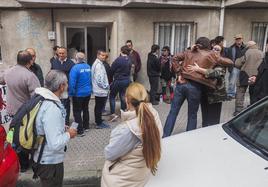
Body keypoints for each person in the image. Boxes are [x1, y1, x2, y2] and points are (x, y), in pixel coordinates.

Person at [163, 37, 232, 137]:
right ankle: (189, 138)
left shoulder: (189, 51)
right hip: (195, 87)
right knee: (192, 115)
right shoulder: (211, 55)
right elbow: (230, 62)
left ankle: (165, 136)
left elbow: (174, 58)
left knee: (173, 112)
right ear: (208, 46)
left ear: (197, 44)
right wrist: (216, 55)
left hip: (181, 84)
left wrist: (179, 73)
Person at [101, 83, 162, 187]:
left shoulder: (128, 129)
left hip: (122, 180)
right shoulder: (153, 115)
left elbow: (109, 154)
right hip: (139, 175)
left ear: (126, 100)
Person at [33, 70, 77, 187]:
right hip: (49, 162)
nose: (68, 86)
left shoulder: (42, 98)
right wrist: (69, 134)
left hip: (44, 158)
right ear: (61, 86)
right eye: (66, 83)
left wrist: (61, 127)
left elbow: (43, 125)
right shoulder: (52, 108)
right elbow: (55, 144)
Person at [3, 50, 41, 172]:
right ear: (30, 61)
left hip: (11, 113)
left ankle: (18, 162)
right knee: (25, 137)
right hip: (25, 114)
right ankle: (26, 163)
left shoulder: (8, 72)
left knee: (13, 137)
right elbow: (37, 97)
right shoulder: (29, 76)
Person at [188, 45, 228, 126]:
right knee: (205, 119)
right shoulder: (207, 59)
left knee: (213, 120)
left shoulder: (221, 62)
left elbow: (216, 73)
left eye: (217, 49)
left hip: (216, 95)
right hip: (205, 93)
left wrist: (199, 69)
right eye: (213, 48)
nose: (214, 50)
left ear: (221, 53)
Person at [233, 41, 263, 116]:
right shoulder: (261, 53)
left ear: (248, 46)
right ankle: (253, 109)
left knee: (240, 92)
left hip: (244, 74)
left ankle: (238, 111)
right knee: (254, 93)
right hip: (257, 75)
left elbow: (237, 63)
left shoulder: (246, 52)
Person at [69, 52, 92, 137]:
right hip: (88, 92)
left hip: (78, 94)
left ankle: (80, 130)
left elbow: (72, 82)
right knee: (85, 109)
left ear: (76, 58)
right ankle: (86, 126)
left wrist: (71, 93)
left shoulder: (75, 68)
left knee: (77, 111)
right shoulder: (88, 66)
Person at [51, 47, 75, 126]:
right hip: (56, 88)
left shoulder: (71, 63)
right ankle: (58, 121)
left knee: (66, 106)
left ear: (66, 53)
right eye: (59, 53)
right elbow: (52, 73)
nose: (61, 55)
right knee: (57, 105)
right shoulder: (54, 62)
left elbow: (73, 77)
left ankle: (66, 123)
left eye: (62, 53)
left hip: (65, 88)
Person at [109, 45, 131, 122]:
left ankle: (113, 114)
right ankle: (123, 113)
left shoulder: (118, 60)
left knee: (112, 96)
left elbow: (111, 69)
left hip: (118, 80)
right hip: (126, 80)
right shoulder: (129, 59)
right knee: (123, 95)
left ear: (121, 51)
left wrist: (110, 79)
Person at [91, 50, 110, 129]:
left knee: (98, 106)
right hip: (100, 90)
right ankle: (98, 123)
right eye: (102, 55)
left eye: (104, 55)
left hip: (99, 89)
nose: (104, 57)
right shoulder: (98, 65)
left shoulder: (98, 64)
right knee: (99, 107)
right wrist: (106, 86)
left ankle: (98, 120)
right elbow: (99, 80)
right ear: (98, 55)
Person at [226, 34, 246, 100]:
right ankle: (230, 94)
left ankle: (238, 95)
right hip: (234, 67)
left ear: (242, 39)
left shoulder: (246, 48)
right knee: (232, 81)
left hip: (243, 67)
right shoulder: (231, 48)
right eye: (237, 39)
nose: (238, 41)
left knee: (241, 82)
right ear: (235, 40)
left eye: (239, 39)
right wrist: (230, 68)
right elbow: (228, 58)